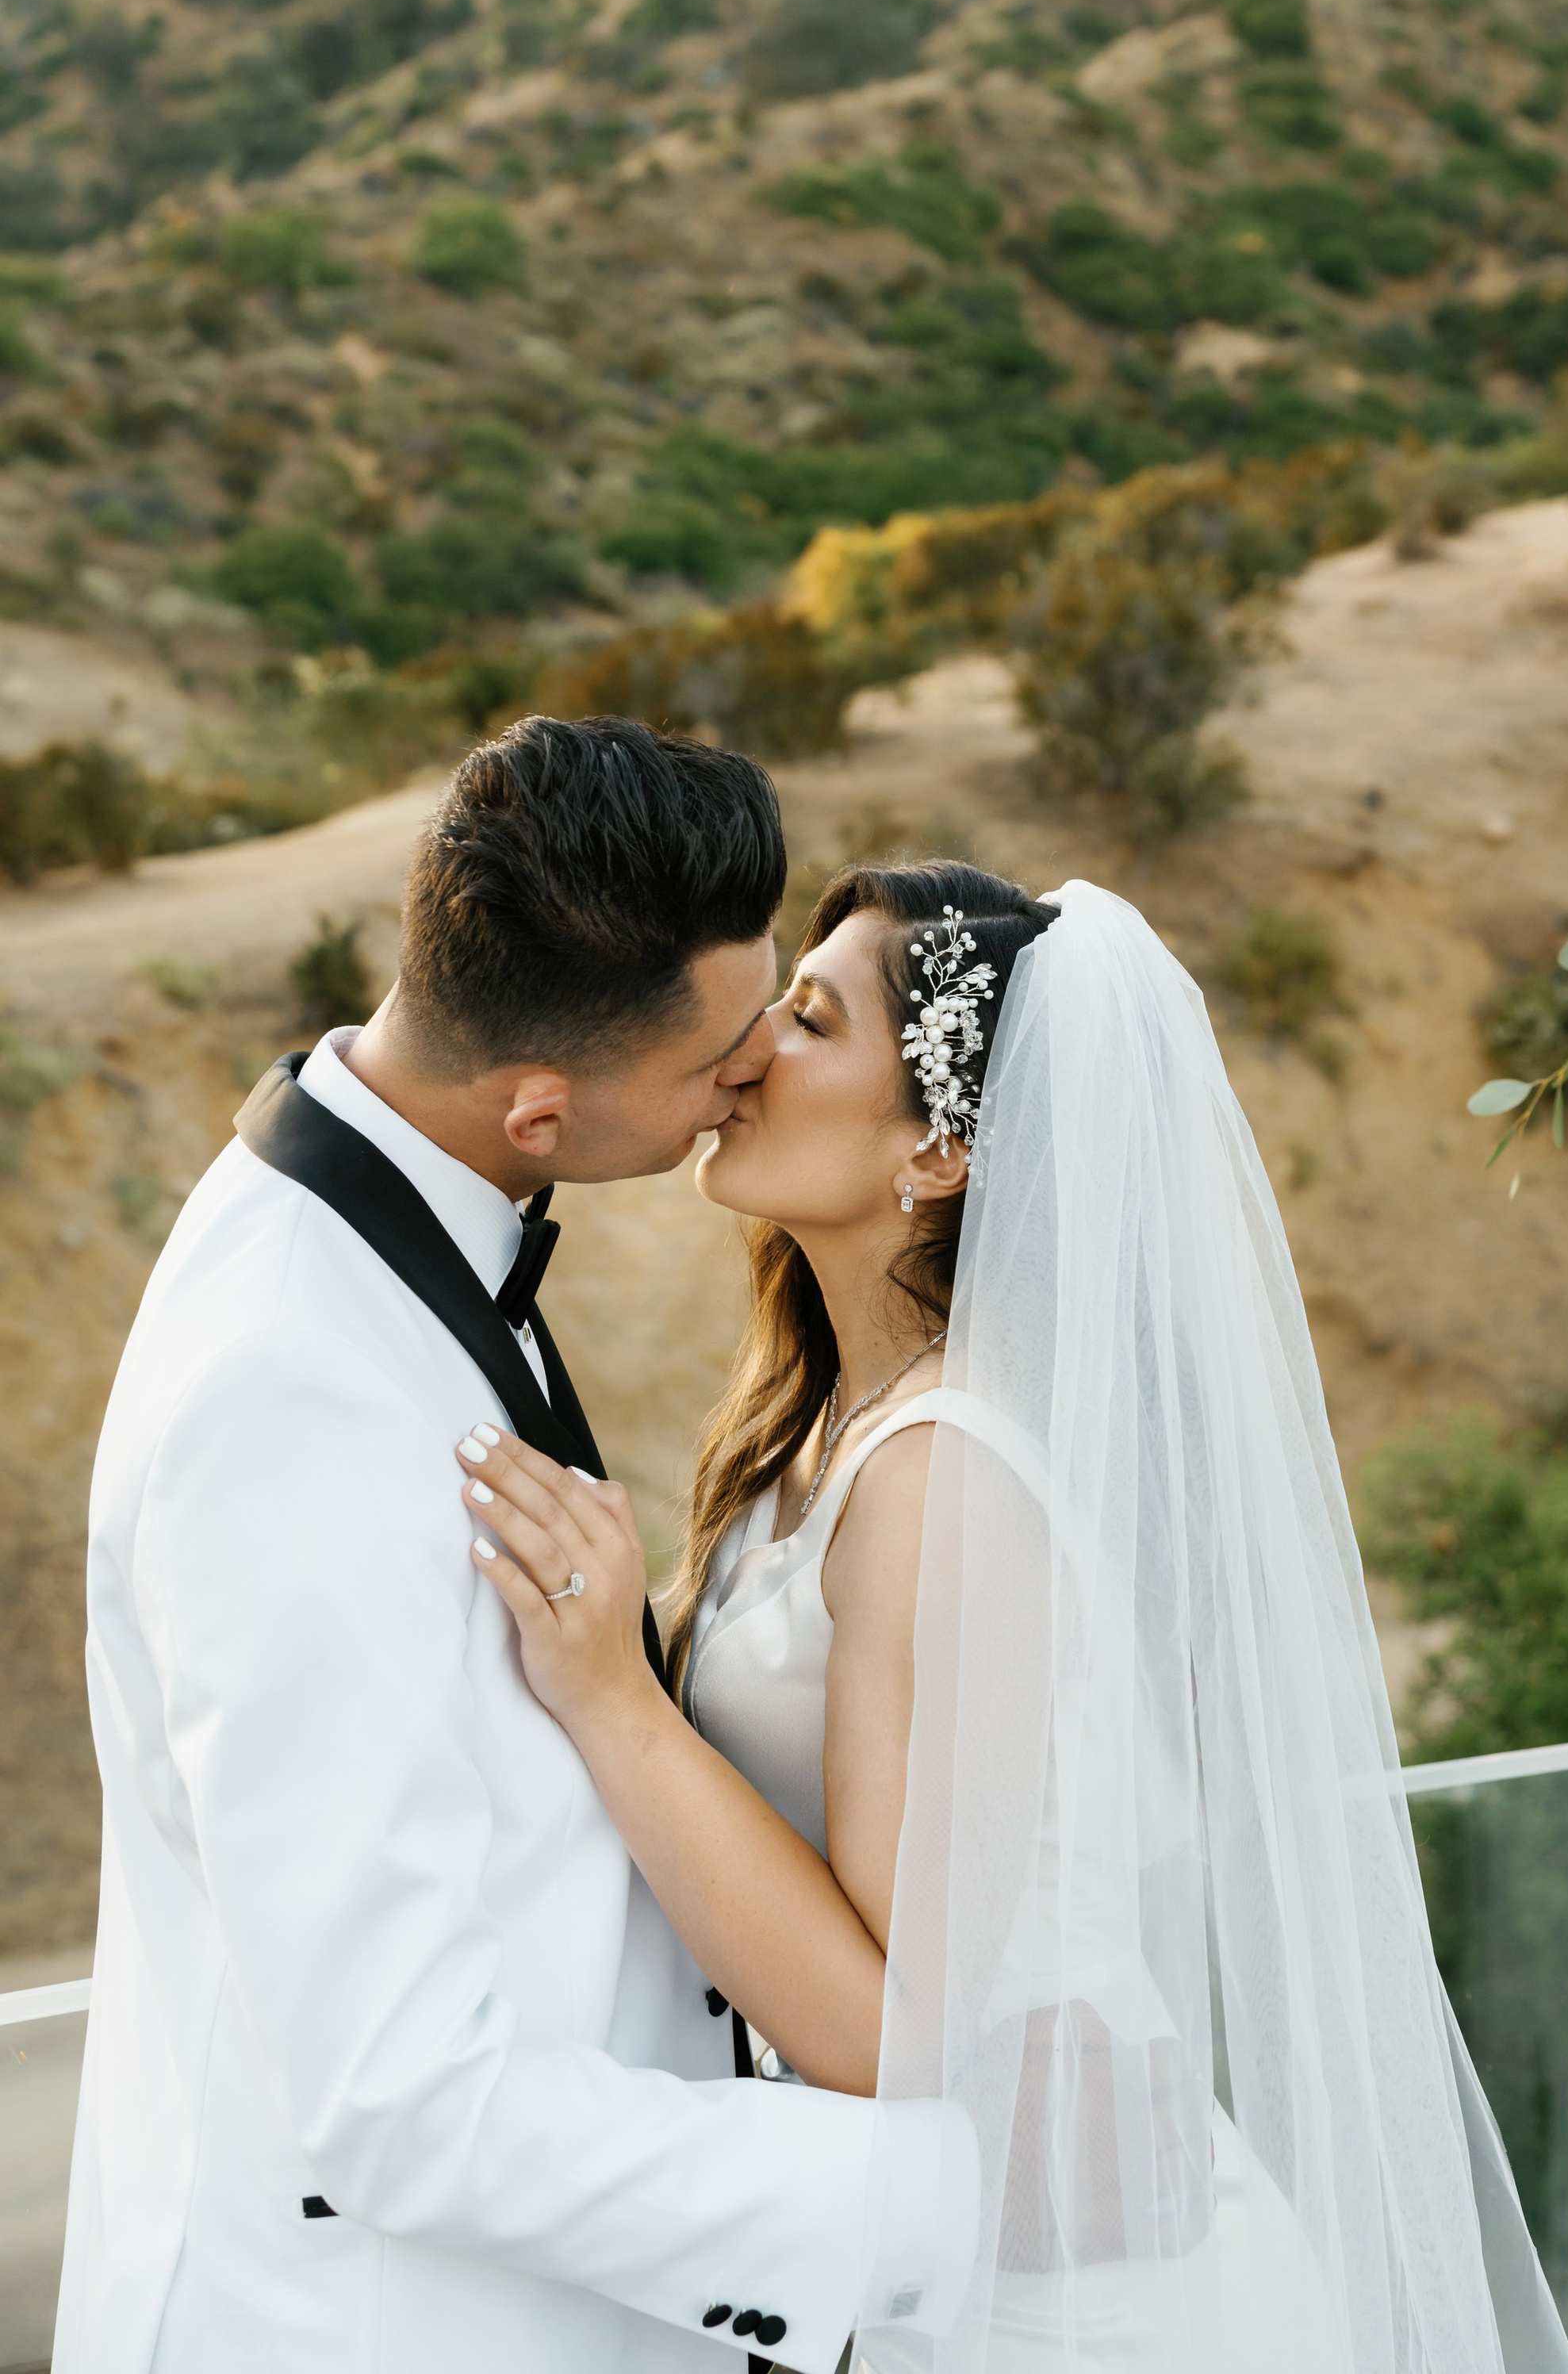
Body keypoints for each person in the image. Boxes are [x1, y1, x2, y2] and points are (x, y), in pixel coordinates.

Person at [452, 863, 1568, 2374]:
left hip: (1092, 2296)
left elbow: (895, 2027)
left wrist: (610, 1697)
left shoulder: (940, 1475)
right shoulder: (823, 1426)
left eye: (810, 1019)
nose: (748, 1051)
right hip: (970, 2225)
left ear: (938, 1147)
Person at [56, 722, 972, 2374]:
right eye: (715, 1062)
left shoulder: (382, 1211)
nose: (750, 1071)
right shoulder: (291, 1385)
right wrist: (946, 2193)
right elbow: (402, 2101)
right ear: (541, 1108)